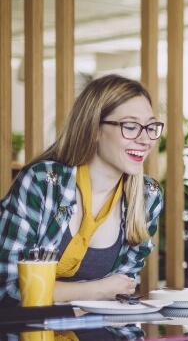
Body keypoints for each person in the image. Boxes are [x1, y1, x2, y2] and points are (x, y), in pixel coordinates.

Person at [0, 74, 164, 306]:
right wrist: (97, 290)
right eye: (130, 127)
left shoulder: (148, 196)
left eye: (150, 127)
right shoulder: (43, 182)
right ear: (94, 129)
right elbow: (7, 291)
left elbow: (121, 293)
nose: (145, 140)